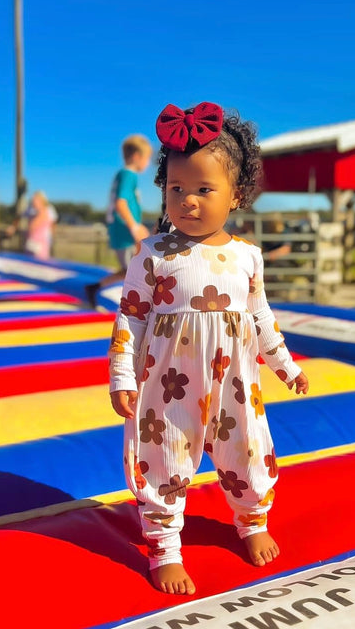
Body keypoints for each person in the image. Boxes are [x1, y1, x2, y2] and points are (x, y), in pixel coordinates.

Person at [108, 102, 309, 596]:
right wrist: (122, 376)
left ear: (237, 194)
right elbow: (130, 318)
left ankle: (250, 520)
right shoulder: (153, 254)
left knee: (248, 451)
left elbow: (261, 317)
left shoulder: (247, 257)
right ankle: (165, 545)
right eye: (176, 189)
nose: (188, 201)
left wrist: (285, 365)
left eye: (203, 189)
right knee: (163, 456)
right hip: (169, 384)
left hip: (236, 386)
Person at [85, 135, 152, 307]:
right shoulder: (129, 175)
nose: (147, 163)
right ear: (137, 156)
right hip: (125, 231)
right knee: (138, 272)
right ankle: (137, 308)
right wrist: (135, 227)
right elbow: (121, 203)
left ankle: (94, 287)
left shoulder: (122, 175)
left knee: (128, 269)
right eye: (147, 158)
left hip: (121, 230)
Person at [24, 190, 58, 260]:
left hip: (40, 245)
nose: (33, 202)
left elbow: (33, 226)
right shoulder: (32, 211)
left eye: (35, 200)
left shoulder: (46, 211)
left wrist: (52, 237)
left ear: (41, 200)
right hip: (32, 244)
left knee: (39, 264)